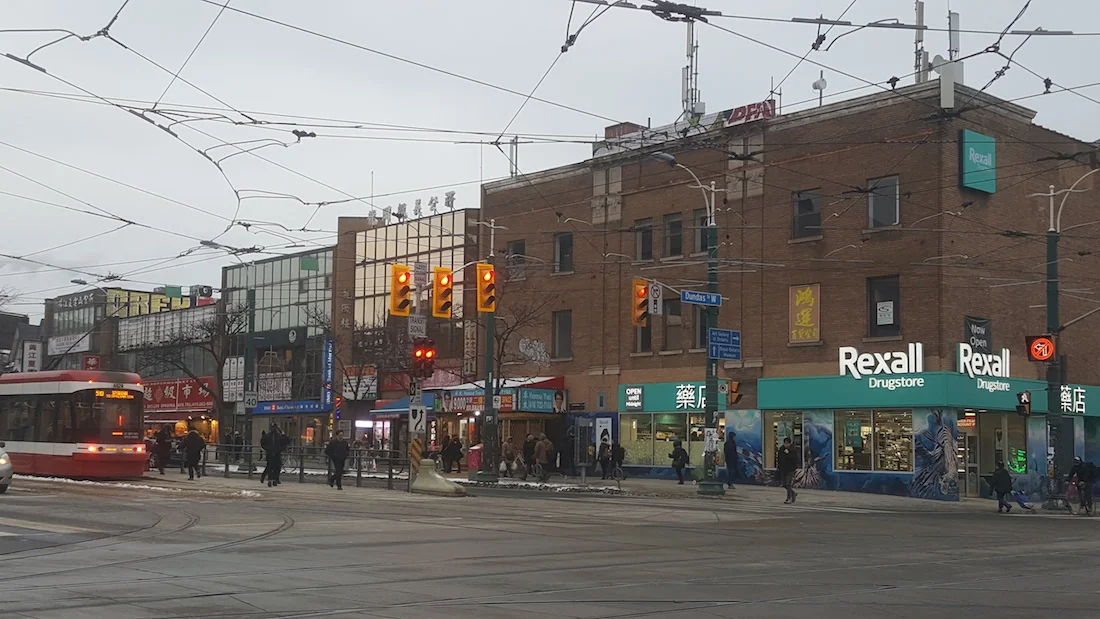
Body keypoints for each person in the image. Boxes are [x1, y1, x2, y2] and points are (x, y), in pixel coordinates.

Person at [777, 437, 799, 504]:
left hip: (790, 469)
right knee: (784, 484)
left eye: (787, 443)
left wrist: (788, 454)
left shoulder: (793, 450)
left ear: (790, 443)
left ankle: (789, 498)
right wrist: (779, 467)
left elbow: (795, 459)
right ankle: (793, 493)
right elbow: (779, 458)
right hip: (783, 469)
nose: (785, 445)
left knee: (788, 484)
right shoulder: (781, 449)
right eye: (785, 443)